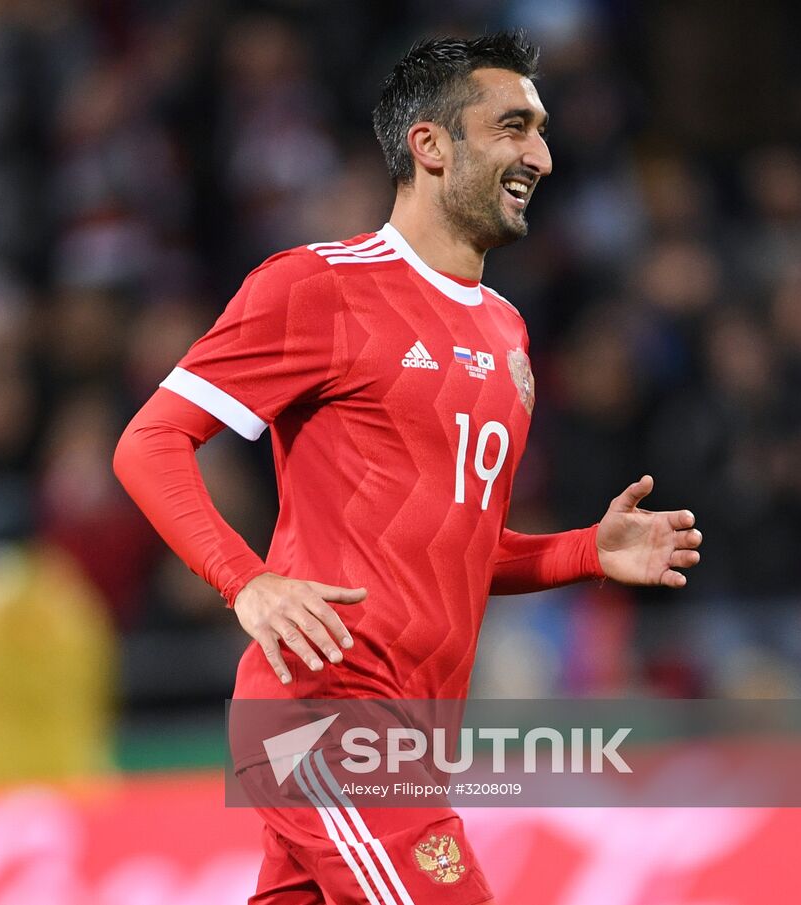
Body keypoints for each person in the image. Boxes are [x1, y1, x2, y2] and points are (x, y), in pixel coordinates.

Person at [113, 32, 702, 905]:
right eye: (513, 127)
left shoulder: (507, 333)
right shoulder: (321, 286)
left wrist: (585, 551)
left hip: (410, 739)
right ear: (430, 145)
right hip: (321, 711)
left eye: (541, 131)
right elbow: (149, 441)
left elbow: (451, 545)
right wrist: (248, 582)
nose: (541, 156)